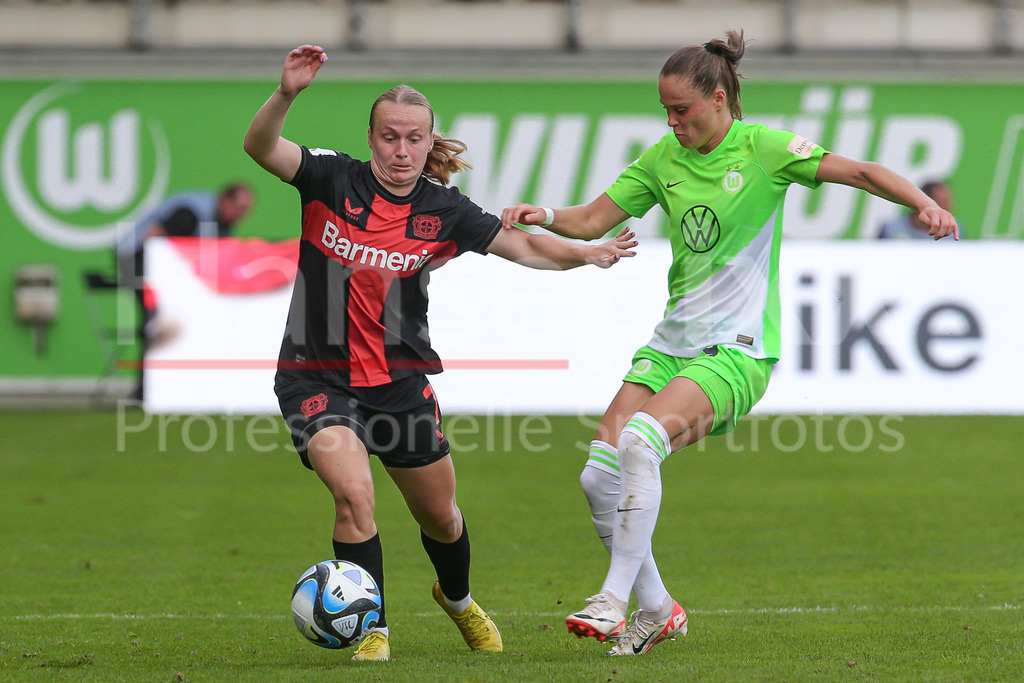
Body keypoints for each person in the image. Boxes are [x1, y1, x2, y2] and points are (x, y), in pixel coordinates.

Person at [501, 30, 958, 657]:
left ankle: (612, 598)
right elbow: (592, 219)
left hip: (737, 350)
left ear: (719, 99)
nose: (671, 121)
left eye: (681, 110)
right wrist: (544, 214)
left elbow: (859, 170)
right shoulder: (664, 158)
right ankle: (657, 608)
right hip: (673, 344)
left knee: (640, 441)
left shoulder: (765, 149)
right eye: (664, 109)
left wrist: (923, 204)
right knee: (597, 474)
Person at [243, 45, 636, 662]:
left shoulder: (443, 210)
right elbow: (261, 147)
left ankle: (457, 600)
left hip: (398, 381)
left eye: (414, 139)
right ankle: (372, 628)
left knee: (443, 520)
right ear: (370, 138)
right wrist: (287, 93)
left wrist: (586, 252)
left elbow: (524, 249)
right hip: (313, 375)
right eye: (389, 137)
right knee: (354, 496)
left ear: (431, 143)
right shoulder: (328, 178)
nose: (401, 151)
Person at [878, 179, 959, 239]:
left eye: (948, 201)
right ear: (927, 202)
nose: (948, 206)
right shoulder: (891, 228)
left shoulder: (954, 232)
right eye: (943, 202)